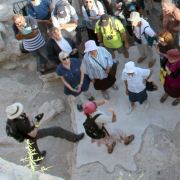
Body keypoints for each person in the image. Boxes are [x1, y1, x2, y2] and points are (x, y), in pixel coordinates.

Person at [5, 102, 84, 163]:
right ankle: (75, 138)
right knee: (56, 130)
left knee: (32, 146)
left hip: (25, 136)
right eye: (19, 111)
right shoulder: (21, 124)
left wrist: (28, 118)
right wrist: (37, 122)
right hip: (30, 135)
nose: (21, 110)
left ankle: (37, 159)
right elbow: (33, 134)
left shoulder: (11, 120)